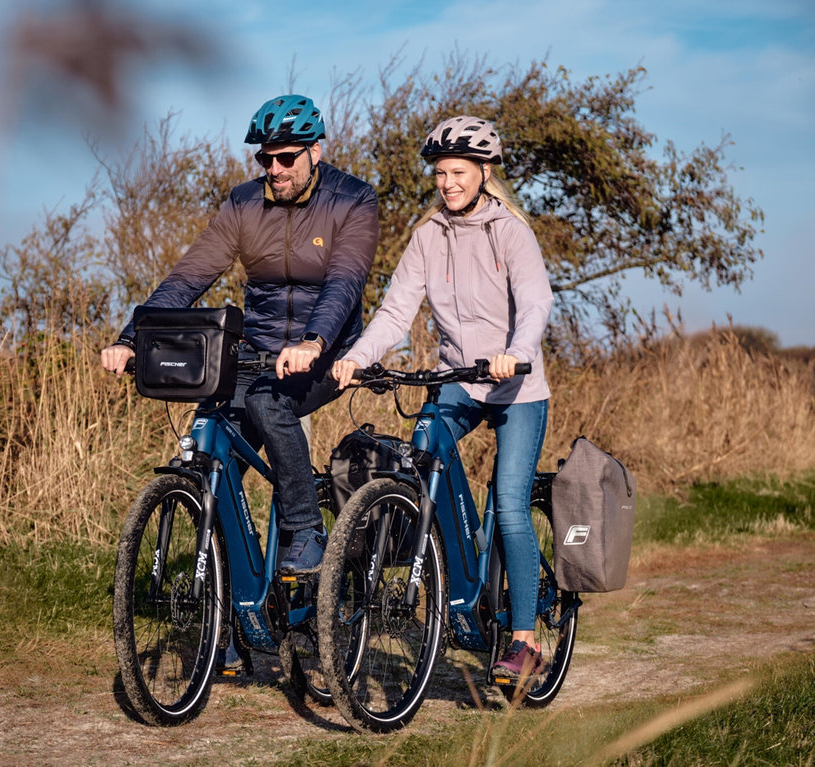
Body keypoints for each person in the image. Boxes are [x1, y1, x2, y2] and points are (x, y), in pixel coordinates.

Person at [102, 93, 379, 581]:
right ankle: (235, 612)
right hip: (257, 352)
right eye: (265, 159)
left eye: (286, 158)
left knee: (268, 404)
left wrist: (313, 342)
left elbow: (344, 283)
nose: (275, 169)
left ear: (316, 150)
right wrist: (131, 337)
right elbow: (189, 276)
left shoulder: (353, 199)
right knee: (213, 454)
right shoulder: (244, 203)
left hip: (326, 353)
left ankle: (305, 529)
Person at [332, 115, 553, 684]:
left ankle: (525, 640)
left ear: (483, 173)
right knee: (421, 457)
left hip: (515, 384)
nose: (447, 183)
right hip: (456, 377)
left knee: (508, 503)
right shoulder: (428, 234)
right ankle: (461, 578)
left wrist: (517, 350)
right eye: (439, 173)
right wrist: (358, 356)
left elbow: (535, 303)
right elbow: (395, 311)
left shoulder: (510, 232)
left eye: (458, 172)